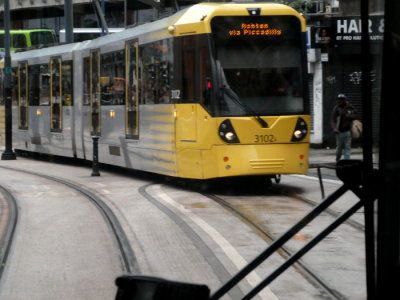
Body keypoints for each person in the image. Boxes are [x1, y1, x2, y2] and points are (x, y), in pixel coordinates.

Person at [330, 93, 358, 161]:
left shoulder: (350, 107)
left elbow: (356, 115)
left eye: (342, 100)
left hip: (348, 131)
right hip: (339, 132)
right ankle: (338, 159)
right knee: (339, 148)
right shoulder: (336, 108)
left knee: (347, 148)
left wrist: (350, 116)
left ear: (345, 100)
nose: (340, 101)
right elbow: (332, 120)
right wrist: (335, 128)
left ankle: (346, 162)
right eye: (339, 100)